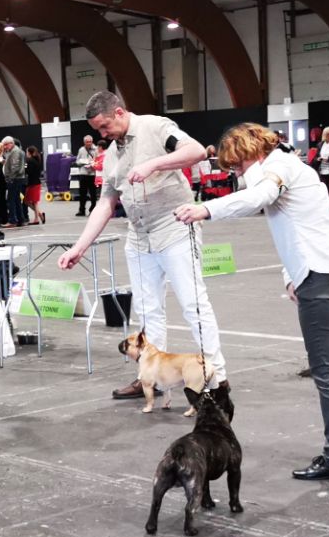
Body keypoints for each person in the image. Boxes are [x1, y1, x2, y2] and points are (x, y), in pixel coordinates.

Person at [174, 123, 329, 480]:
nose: (237, 174)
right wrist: (291, 276)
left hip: (323, 279)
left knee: (326, 372)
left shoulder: (278, 169)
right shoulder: (293, 166)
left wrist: (205, 209)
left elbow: (259, 197)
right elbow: (296, 227)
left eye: (237, 165)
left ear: (251, 152)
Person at [58, 90, 228, 400]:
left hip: (175, 227)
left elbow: (196, 151)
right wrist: (79, 248)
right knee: (147, 311)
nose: (102, 134)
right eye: (97, 129)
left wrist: (154, 165)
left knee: (193, 304)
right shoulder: (112, 154)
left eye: (105, 126)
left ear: (119, 112)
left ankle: (217, 379)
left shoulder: (156, 127)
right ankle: (151, 379)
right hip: (138, 236)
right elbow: (106, 203)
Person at [2, 136, 27, 227]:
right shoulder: (15, 151)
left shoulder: (15, 151)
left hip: (14, 179)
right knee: (16, 200)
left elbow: (15, 167)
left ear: (11, 143)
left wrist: (10, 178)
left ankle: (13, 220)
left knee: (11, 200)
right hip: (17, 178)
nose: (4, 147)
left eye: (6, 145)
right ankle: (21, 219)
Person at [75, 135, 98, 216]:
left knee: (93, 194)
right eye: (87, 142)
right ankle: (81, 210)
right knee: (82, 194)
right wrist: (82, 162)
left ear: (92, 142)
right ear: (84, 142)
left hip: (92, 174)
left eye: (90, 142)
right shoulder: (81, 150)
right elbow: (77, 161)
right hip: (83, 174)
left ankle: (93, 210)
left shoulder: (96, 149)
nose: (89, 143)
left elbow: (99, 160)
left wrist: (93, 163)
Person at [25, 145, 45, 225]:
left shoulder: (28, 160)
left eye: (27, 152)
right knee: (34, 202)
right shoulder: (37, 160)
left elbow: (26, 170)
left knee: (28, 201)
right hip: (37, 182)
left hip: (32, 184)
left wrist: (24, 166)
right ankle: (39, 214)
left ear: (29, 153)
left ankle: (37, 218)